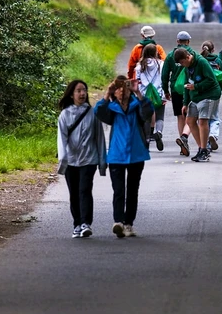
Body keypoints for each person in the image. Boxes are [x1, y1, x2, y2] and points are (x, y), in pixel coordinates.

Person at [95, 75, 151, 238]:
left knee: (132, 191)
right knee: (118, 190)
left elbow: (148, 112)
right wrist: (107, 94)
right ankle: (118, 222)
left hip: (136, 153)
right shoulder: (112, 109)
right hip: (117, 154)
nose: (121, 91)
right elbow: (98, 112)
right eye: (118, 88)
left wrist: (138, 92)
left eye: (124, 88)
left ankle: (128, 224)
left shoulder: (137, 105)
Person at [57, 79, 107, 238]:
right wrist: (63, 160)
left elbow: (100, 138)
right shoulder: (65, 115)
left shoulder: (93, 113)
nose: (82, 93)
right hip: (71, 160)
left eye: (84, 90)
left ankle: (86, 223)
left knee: (85, 190)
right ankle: (77, 224)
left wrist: (102, 162)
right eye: (78, 91)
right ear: (71, 95)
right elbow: (61, 139)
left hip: (89, 159)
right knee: (74, 193)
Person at [176, 47, 221, 163]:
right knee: (190, 121)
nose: (182, 65)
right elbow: (186, 85)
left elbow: (211, 80)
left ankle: (204, 150)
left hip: (209, 95)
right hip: (196, 97)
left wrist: (196, 86)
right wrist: (185, 103)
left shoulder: (201, 62)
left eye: (183, 62)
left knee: (202, 121)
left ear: (188, 57)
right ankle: (201, 148)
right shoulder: (187, 68)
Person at [161, 31, 199, 156]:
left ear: (177, 41)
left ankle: (183, 142)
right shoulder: (192, 54)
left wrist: (166, 90)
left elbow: (165, 74)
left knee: (180, 116)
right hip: (191, 87)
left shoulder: (171, 55)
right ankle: (184, 137)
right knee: (191, 115)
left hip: (176, 89)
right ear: (188, 41)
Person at [135, 43, 165, 151]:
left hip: (144, 95)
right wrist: (164, 94)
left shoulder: (139, 66)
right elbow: (164, 79)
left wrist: (138, 95)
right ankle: (158, 132)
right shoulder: (161, 64)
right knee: (160, 116)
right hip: (158, 93)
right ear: (155, 52)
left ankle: (147, 138)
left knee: (147, 118)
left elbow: (138, 82)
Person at [200, 40, 222, 152]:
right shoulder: (217, 60)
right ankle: (213, 135)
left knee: (203, 117)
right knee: (214, 116)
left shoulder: (200, 60)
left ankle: (205, 141)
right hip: (215, 91)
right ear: (213, 49)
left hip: (202, 91)